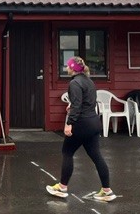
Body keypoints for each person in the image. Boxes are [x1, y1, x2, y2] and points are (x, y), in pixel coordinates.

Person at [46, 56, 117, 202]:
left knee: (67, 152)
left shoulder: (74, 83)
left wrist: (69, 123)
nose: (66, 67)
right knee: (96, 156)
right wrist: (72, 105)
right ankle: (107, 191)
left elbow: (77, 106)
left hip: (81, 124)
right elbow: (86, 102)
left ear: (72, 68)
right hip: (93, 122)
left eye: (68, 65)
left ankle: (62, 187)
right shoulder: (89, 81)